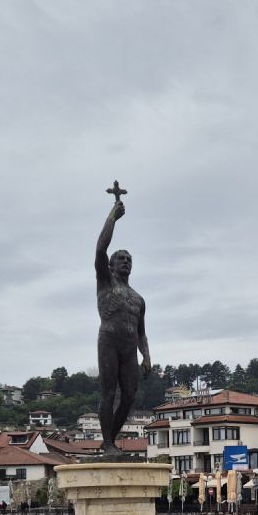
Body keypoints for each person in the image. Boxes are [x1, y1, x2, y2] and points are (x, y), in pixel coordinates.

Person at [94, 193, 150, 457]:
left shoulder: (138, 298)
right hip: (109, 341)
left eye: (129, 259)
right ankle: (107, 443)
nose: (126, 261)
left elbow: (142, 332)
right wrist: (112, 217)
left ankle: (110, 441)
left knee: (129, 396)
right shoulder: (106, 282)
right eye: (121, 259)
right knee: (109, 392)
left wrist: (146, 356)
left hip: (129, 349)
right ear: (111, 265)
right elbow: (100, 249)